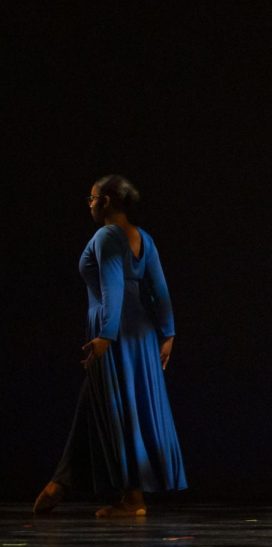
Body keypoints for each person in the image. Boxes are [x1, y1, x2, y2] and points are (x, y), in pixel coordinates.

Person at [34, 175, 186, 518]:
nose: (88, 204)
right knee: (105, 401)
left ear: (105, 201)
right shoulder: (143, 238)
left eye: (91, 198)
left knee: (120, 408)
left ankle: (132, 498)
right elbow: (159, 289)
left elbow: (112, 286)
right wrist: (168, 333)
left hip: (115, 330)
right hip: (142, 332)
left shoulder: (105, 236)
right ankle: (63, 481)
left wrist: (106, 334)